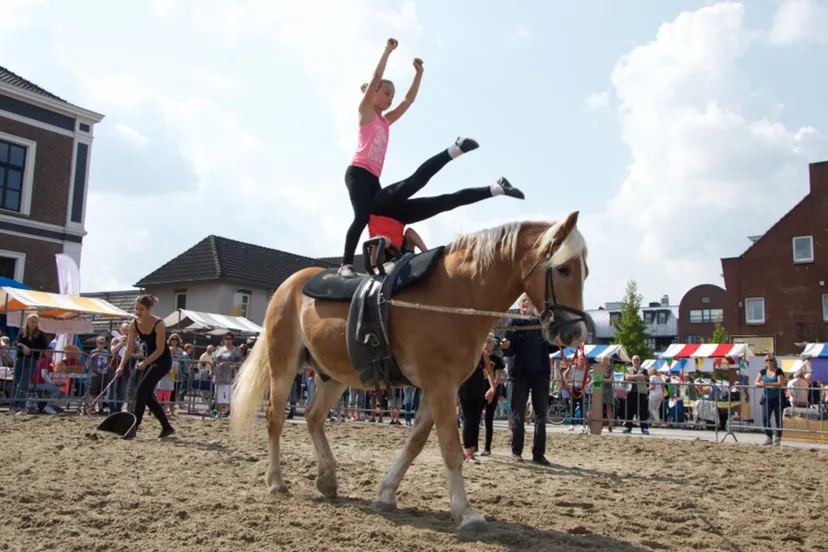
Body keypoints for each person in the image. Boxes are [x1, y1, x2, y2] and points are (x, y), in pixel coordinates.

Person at [339, 37, 480, 276]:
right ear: (374, 92)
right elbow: (376, 77)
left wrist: (419, 74)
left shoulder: (386, 121)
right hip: (358, 173)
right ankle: (346, 264)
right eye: (386, 93)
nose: (390, 98)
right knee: (361, 216)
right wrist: (387, 51)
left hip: (373, 178)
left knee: (379, 214)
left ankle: (384, 256)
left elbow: (408, 100)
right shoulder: (366, 113)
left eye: (391, 96)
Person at [367, 177, 524, 259]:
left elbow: (409, 233)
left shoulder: (392, 254)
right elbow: (408, 233)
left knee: (440, 198)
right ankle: (496, 189)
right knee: (444, 202)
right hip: (399, 216)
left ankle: (496, 188)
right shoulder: (401, 254)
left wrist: (425, 253)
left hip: (382, 211)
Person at [501, 294, 555, 466]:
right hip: (520, 374)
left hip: (540, 374)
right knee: (518, 414)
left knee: (541, 415)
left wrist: (556, 337)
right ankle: (516, 452)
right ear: (519, 304)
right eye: (523, 301)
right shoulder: (514, 322)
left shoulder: (542, 323)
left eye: (528, 301)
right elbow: (509, 350)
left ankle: (539, 454)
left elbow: (552, 347)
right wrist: (505, 346)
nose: (525, 304)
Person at [115, 295, 175, 439]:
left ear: (148, 309)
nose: (138, 312)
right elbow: (129, 348)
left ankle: (133, 428)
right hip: (149, 360)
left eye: (141, 309)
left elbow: (160, 349)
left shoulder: (159, 323)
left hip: (162, 361)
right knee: (146, 396)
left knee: (142, 391)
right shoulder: (134, 324)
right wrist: (121, 366)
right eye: (136, 309)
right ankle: (167, 427)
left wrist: (144, 363)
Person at [459, 334, 504, 462]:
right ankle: (468, 452)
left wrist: (492, 388)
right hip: (465, 389)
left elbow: (490, 372)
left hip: (479, 390)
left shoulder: (483, 354)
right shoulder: (465, 352)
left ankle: (471, 450)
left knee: (476, 420)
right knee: (469, 419)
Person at [11, 313, 49, 414]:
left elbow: (44, 347)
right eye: (32, 321)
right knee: (16, 383)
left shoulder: (40, 334)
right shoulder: (22, 332)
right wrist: (22, 346)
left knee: (23, 384)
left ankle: (21, 407)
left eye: (36, 322)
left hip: (32, 360)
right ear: (27, 322)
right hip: (20, 359)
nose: (34, 324)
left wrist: (31, 349)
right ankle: (16, 407)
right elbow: (15, 343)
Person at [480, 335, 505, 456]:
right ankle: (473, 446)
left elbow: (498, 377)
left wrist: (492, 389)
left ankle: (487, 448)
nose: (486, 344)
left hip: (492, 391)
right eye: (484, 341)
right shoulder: (478, 358)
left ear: (494, 344)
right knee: (475, 419)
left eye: (489, 342)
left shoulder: (497, 359)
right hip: (478, 391)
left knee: (488, 420)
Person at [755, 354, 786, 446]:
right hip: (766, 397)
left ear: (774, 361)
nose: (769, 362)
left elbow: (780, 383)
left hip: (777, 397)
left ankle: (778, 437)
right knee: (765, 418)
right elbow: (756, 382)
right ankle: (769, 437)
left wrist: (768, 384)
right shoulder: (763, 371)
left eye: (771, 360)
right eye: (767, 360)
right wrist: (761, 384)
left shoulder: (778, 371)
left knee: (778, 418)